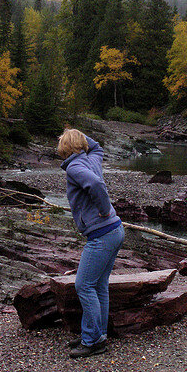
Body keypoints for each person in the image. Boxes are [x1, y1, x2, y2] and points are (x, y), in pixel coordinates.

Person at [57, 129, 124, 359]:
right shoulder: (91, 156)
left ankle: (92, 341)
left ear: (65, 147)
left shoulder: (75, 167)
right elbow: (97, 146)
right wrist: (77, 133)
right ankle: (97, 335)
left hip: (102, 233)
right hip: (115, 230)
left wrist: (104, 209)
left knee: (83, 285)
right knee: (99, 286)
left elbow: (95, 185)